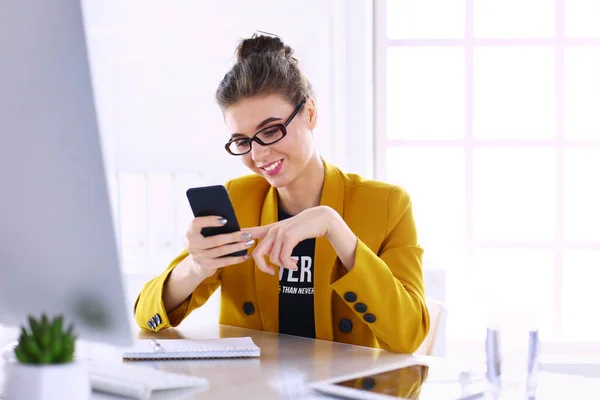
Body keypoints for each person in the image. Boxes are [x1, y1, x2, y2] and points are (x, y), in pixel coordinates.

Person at [133, 33, 430, 353]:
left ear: (310, 113)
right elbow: (145, 315)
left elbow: (409, 336)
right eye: (243, 141)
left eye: (271, 130)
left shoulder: (386, 205)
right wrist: (196, 267)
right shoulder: (237, 200)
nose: (258, 155)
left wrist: (334, 227)